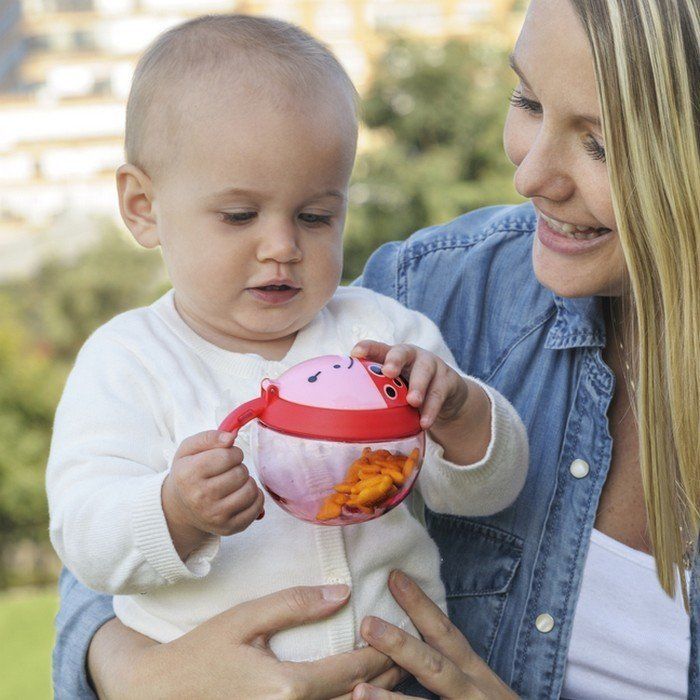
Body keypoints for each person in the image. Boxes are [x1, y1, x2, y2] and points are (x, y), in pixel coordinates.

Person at [52, 0, 700, 697]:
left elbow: (484, 486)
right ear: (142, 208)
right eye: (528, 101)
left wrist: (461, 418)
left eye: (316, 215)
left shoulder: (384, 325)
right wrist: (144, 654)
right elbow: (87, 538)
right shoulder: (133, 358)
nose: (281, 248)